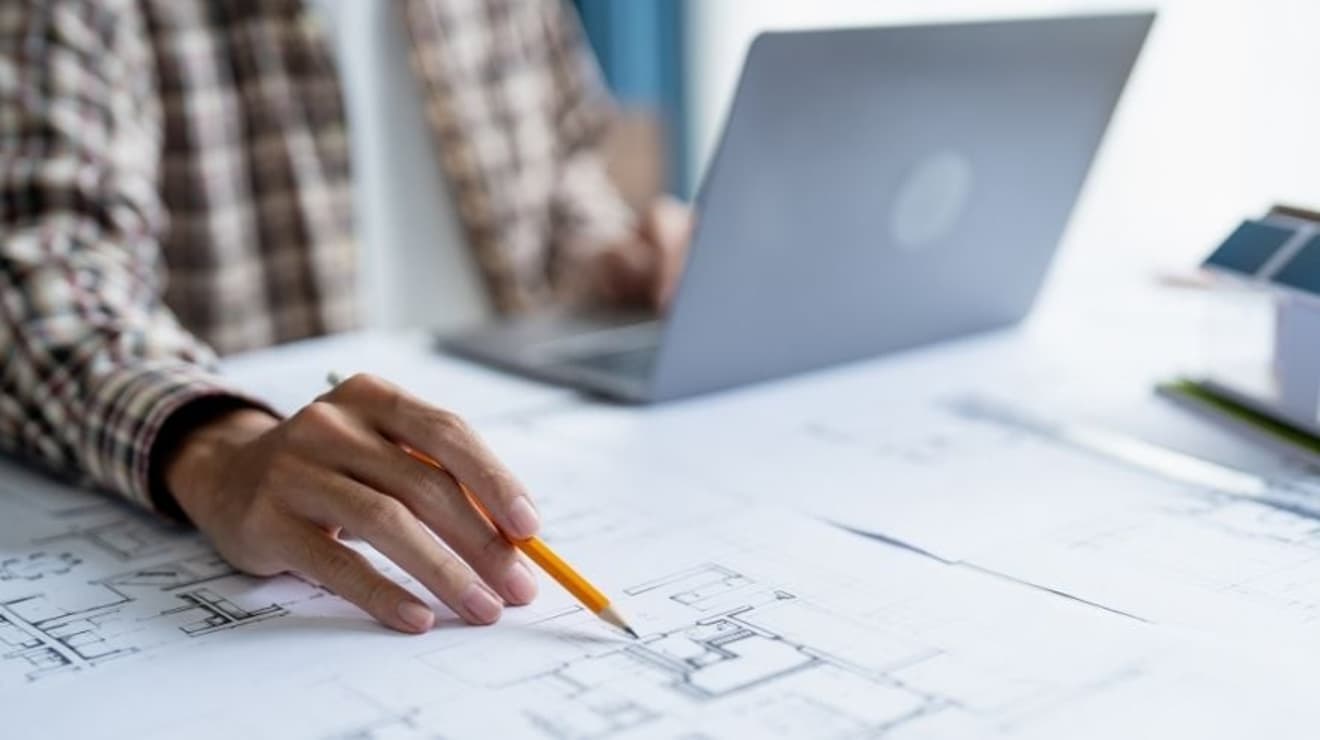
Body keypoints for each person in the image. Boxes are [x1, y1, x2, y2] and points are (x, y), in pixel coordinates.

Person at [0, 0, 690, 634]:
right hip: (279, 481)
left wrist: (612, 259)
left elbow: (564, 172)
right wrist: (216, 448)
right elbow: (39, 273)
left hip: (520, 432)